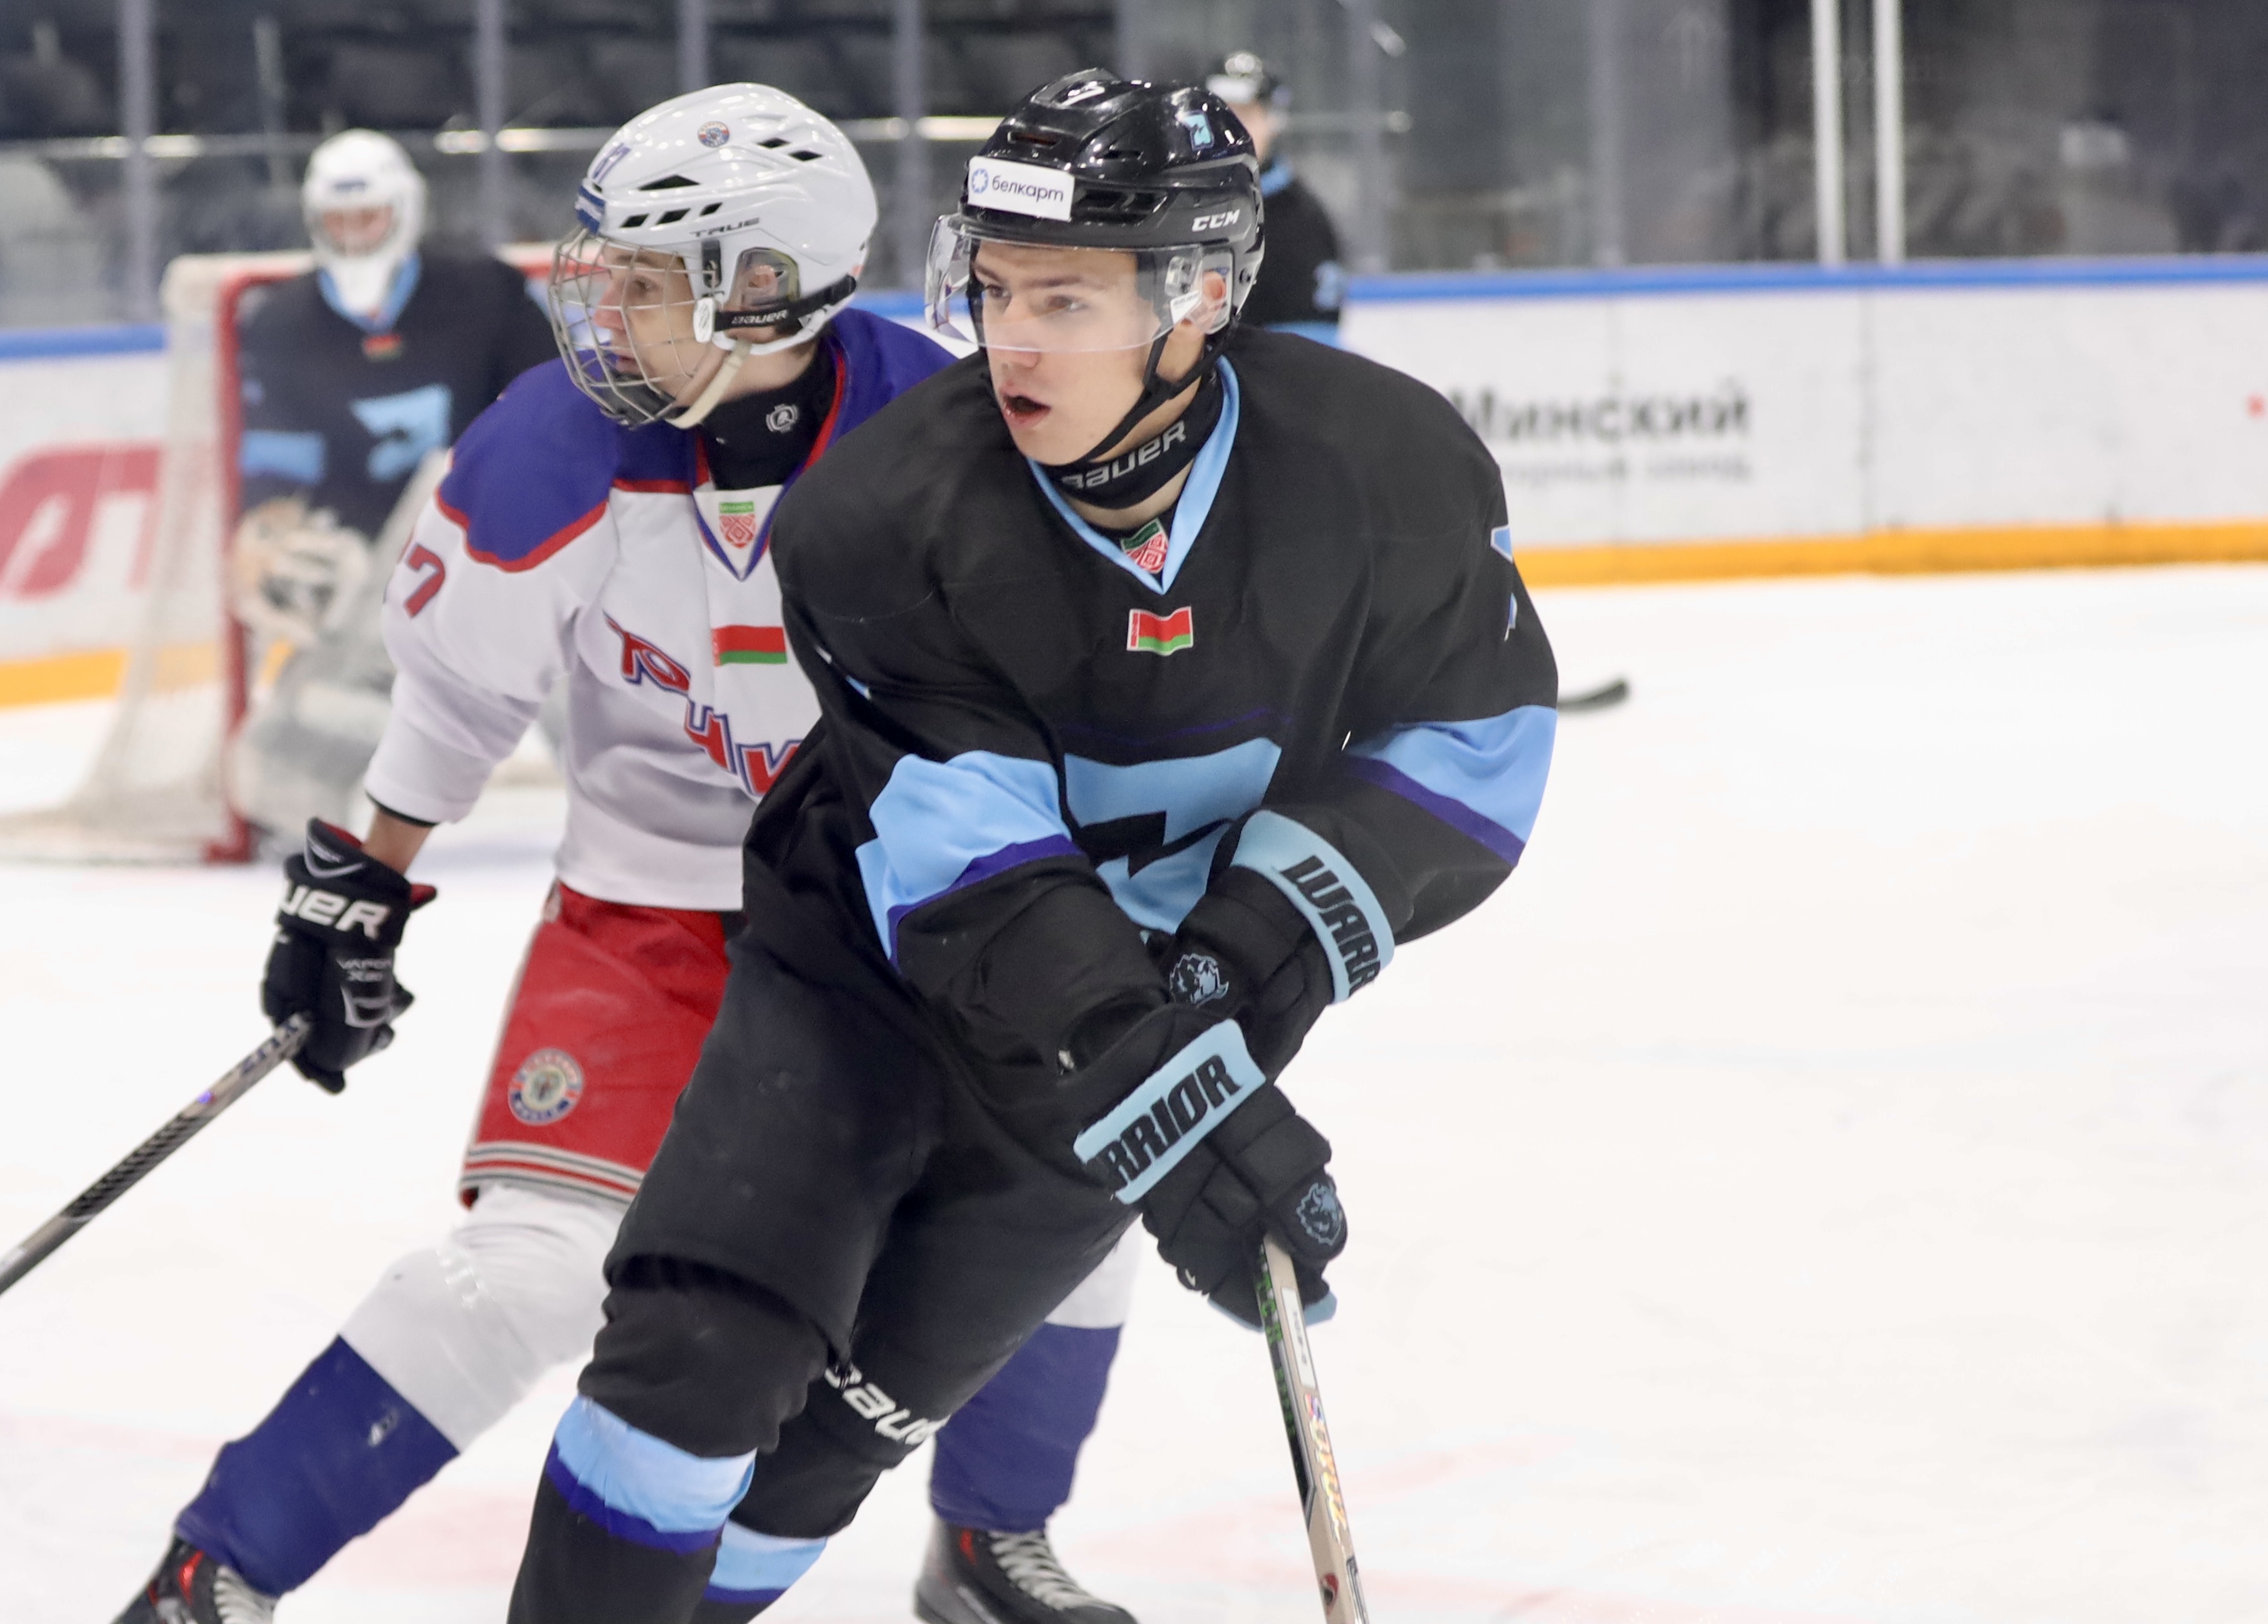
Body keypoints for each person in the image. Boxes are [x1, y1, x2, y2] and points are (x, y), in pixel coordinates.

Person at [506, 70, 1559, 1623]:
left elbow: (1475, 740)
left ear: (1198, 299)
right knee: (698, 1357)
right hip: (859, 996)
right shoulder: (882, 515)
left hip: (1128, 1043)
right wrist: (1177, 1088)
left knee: (833, 1449)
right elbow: (975, 868)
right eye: (995, 290)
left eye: (1064, 298)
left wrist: (1239, 967)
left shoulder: (1383, 467)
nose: (1010, 339)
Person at [113, 85, 1146, 1624]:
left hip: (902, 920)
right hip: (649, 911)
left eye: (649, 281)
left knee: (1077, 1205)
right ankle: (221, 1566)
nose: (605, 309)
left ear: (766, 289)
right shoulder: (557, 444)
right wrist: (362, 883)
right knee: (536, 1267)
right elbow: (456, 700)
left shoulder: (946, 437)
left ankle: (992, 1541)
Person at [224, 128, 562, 836]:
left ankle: (644, 807)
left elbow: (551, 421)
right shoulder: (283, 323)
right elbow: (277, 468)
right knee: (279, 764)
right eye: (338, 220)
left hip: (499, 555)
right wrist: (271, 537)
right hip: (370, 581)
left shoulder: (485, 291)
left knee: (589, 677)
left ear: (405, 212)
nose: (353, 235)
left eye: (368, 217)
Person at [1206, 51, 1344, 338]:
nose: (1230, 130)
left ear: (1273, 120)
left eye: (1245, 115)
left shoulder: (1301, 223)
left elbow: (1307, 350)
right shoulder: (1173, 204)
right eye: (1221, 115)